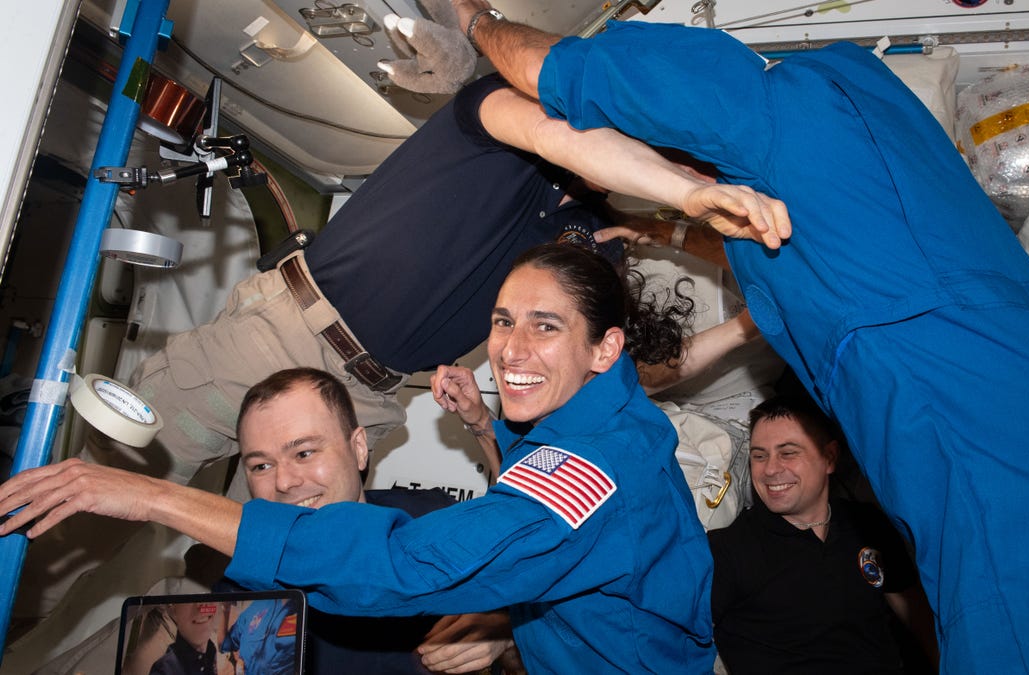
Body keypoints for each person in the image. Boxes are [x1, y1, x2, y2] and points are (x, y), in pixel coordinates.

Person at [456, 6, 1029, 672]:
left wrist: (473, 20)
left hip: (1013, 498)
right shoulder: (884, 134)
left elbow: (551, 69)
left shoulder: (762, 113)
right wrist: (669, 227)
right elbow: (785, 250)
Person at [0, 243, 715, 673]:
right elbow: (544, 533)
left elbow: (413, 565)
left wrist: (148, 495)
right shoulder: (597, 426)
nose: (511, 348)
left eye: (545, 326)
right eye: (502, 321)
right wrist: (488, 430)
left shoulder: (596, 463)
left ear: (607, 348)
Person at [96, 68, 789, 486]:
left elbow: (633, 368)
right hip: (280, 341)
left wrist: (739, 326)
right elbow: (562, 139)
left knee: (275, 593)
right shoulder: (508, 121)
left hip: (367, 405)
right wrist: (678, 193)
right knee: (98, 493)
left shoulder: (592, 246)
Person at [10, 367, 515, 675]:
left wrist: (507, 631)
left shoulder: (430, 519)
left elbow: (554, 588)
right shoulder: (238, 588)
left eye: (304, 452)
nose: (287, 482)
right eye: (261, 465)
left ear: (358, 448)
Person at [708, 395, 936, 674]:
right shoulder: (727, 551)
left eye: (788, 453)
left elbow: (918, 618)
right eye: (759, 456)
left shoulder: (867, 524)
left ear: (829, 458)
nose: (770, 469)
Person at [147, 601, 220, 675]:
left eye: (208, 595)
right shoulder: (164, 671)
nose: (203, 607)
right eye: (191, 597)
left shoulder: (216, 658)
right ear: (172, 609)